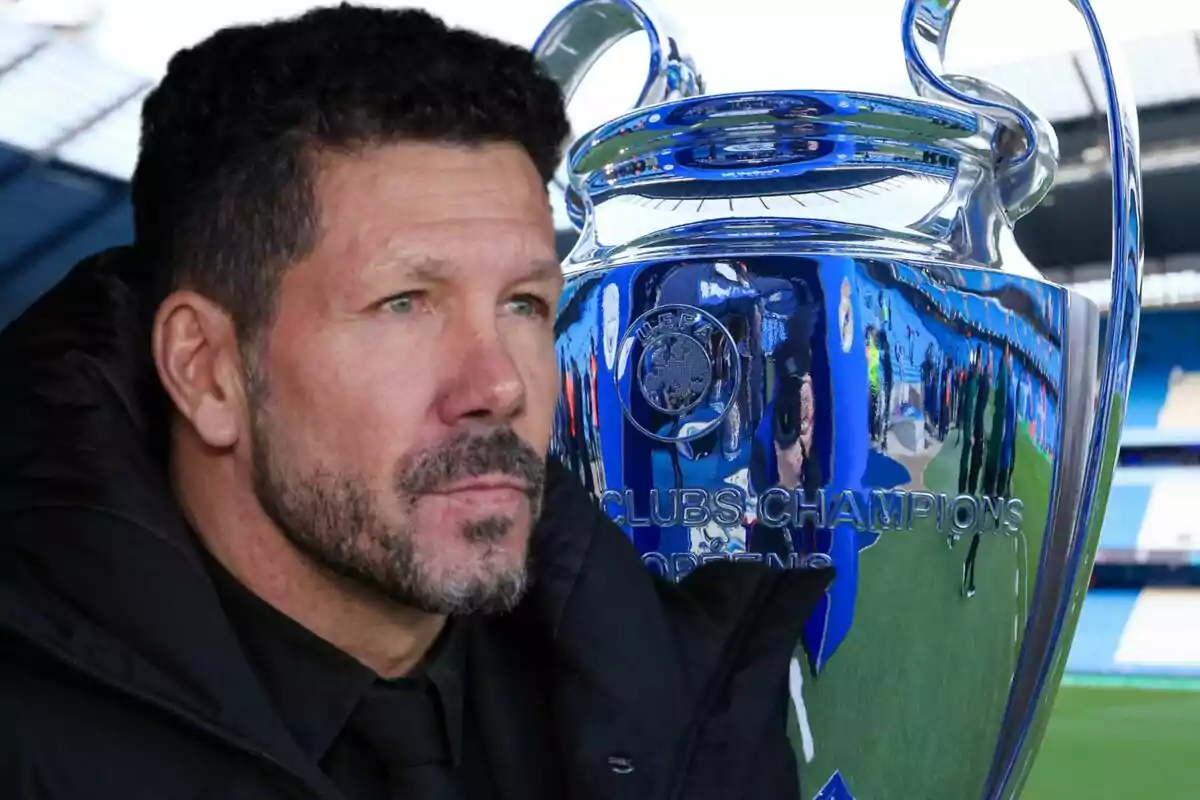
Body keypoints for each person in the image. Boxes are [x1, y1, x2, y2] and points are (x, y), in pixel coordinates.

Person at [0, 6, 834, 800]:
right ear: (207, 371)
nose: (499, 385)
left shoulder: (685, 706)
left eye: (525, 304)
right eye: (405, 302)